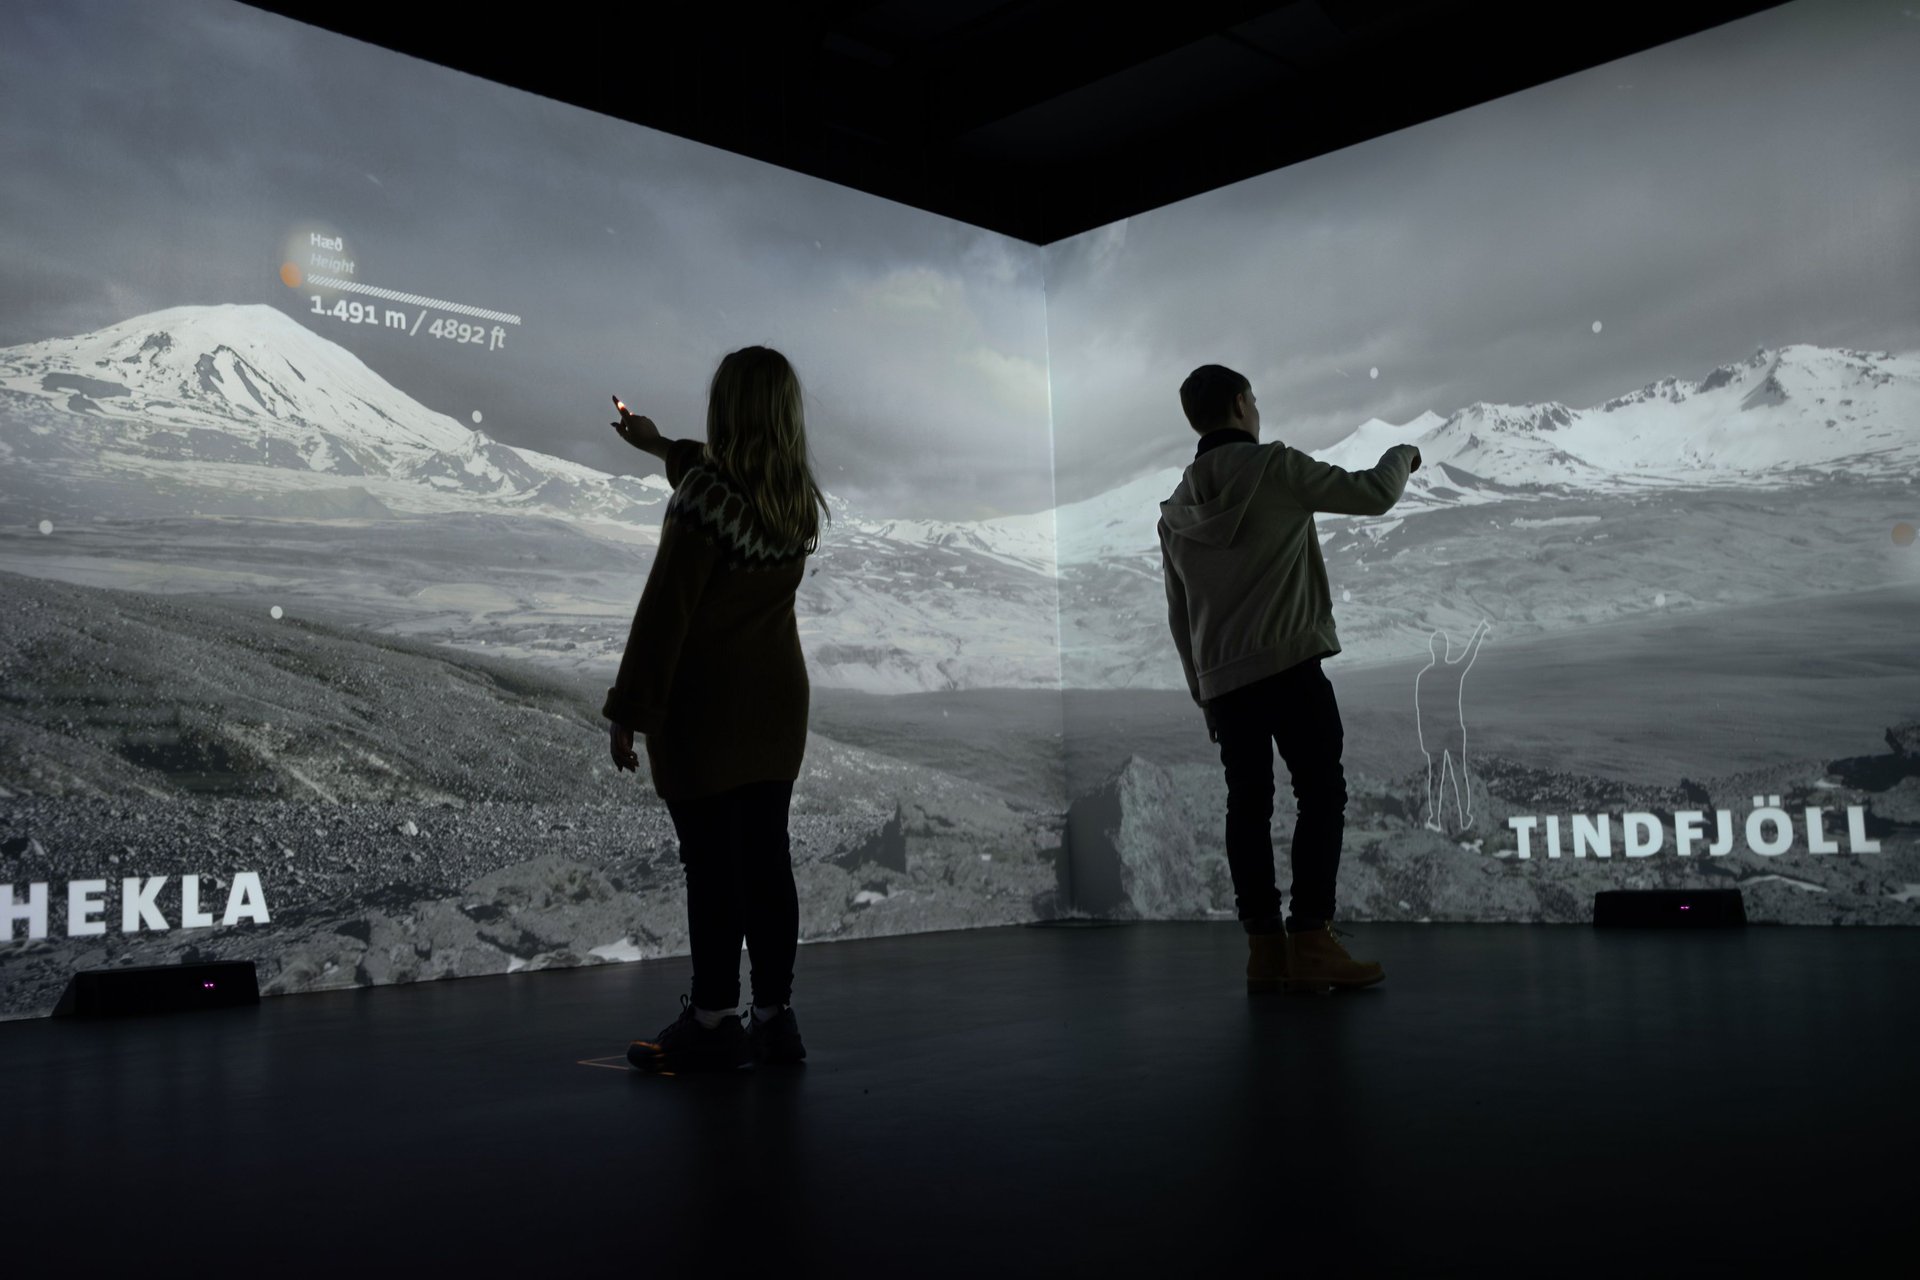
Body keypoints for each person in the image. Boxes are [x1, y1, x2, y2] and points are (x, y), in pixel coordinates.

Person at [603, 347, 830, 1073]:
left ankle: (711, 1020)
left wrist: (630, 708)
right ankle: (775, 1019)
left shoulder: (706, 498)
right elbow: (719, 477)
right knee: (767, 861)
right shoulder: (793, 497)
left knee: (711, 868)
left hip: (709, 710)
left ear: (726, 407)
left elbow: (665, 612)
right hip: (775, 706)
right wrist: (660, 445)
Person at [1159, 365, 1420, 994]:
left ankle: (1264, 951)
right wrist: (1401, 453)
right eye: (1253, 398)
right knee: (1320, 795)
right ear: (1244, 405)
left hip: (1226, 683)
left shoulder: (1174, 512)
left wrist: (1204, 694)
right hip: (1291, 668)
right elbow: (1373, 494)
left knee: (1246, 808)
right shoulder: (1272, 467)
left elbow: (1179, 614)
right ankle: (1311, 939)